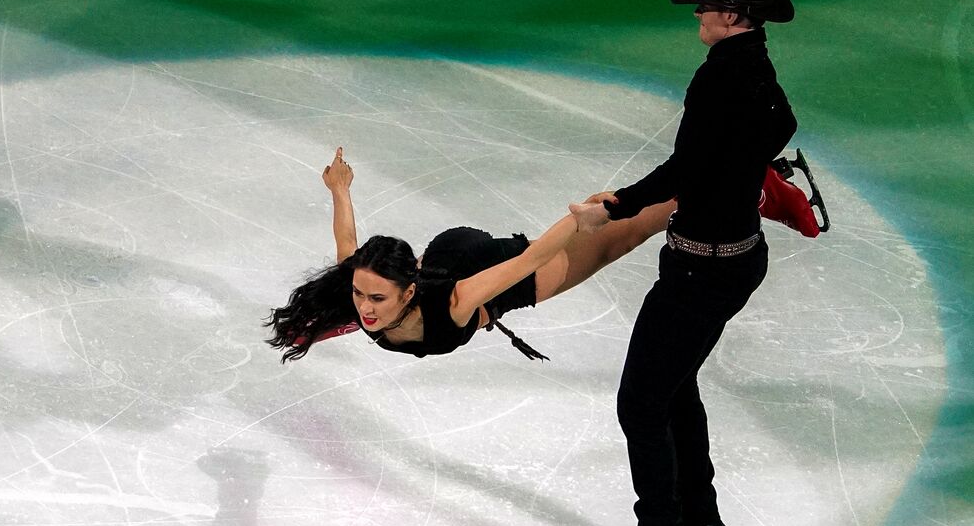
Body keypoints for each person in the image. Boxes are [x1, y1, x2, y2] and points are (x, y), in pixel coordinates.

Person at [582, 0, 801, 526]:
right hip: (738, 257)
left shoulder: (719, 78)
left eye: (707, 5)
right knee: (672, 388)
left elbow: (683, 169)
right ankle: (700, 525)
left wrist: (613, 205)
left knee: (640, 403)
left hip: (700, 268)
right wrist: (736, 170)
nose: (698, 14)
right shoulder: (755, 63)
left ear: (733, 14)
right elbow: (780, 125)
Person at [267, 144, 818, 364]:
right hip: (443, 252)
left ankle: (751, 181)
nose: (364, 307)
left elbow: (525, 265)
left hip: (488, 266)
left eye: (375, 298)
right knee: (616, 227)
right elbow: (348, 246)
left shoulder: (455, 303)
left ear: (407, 292)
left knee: (625, 231)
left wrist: (583, 218)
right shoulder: (365, 287)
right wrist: (339, 189)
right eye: (362, 295)